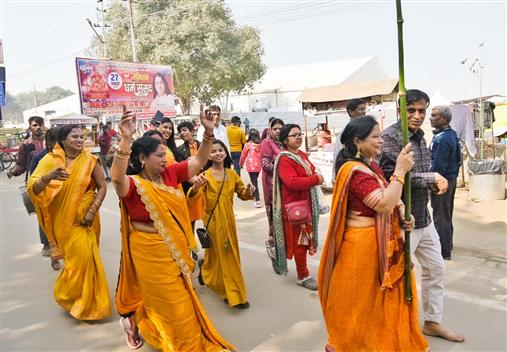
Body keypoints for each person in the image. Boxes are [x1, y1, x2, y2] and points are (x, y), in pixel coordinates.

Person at [112, 107, 234, 351]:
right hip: (148, 250)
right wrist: (126, 139)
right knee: (168, 302)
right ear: (143, 159)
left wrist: (208, 134)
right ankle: (173, 340)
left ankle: (153, 328)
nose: (164, 158)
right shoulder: (133, 184)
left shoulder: (170, 174)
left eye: (164, 154)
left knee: (179, 299)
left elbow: (199, 160)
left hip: (175, 248)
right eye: (158, 155)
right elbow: (116, 177)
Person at [319, 115, 428, 351]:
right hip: (362, 249)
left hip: (379, 242)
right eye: (375, 137)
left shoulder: (371, 165)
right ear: (357, 142)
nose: (381, 141)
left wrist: (402, 213)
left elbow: (391, 198)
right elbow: (383, 204)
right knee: (362, 305)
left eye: (380, 136)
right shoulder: (354, 170)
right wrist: (400, 170)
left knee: (380, 302)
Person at [380, 89, 465, 342]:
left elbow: (421, 173)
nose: (417, 116)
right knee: (394, 280)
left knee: (436, 268)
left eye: (422, 111)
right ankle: (390, 330)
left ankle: (431, 321)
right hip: (401, 220)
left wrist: (433, 181)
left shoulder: (420, 137)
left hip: (422, 217)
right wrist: (431, 178)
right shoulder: (391, 137)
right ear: (400, 111)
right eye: (411, 111)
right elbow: (391, 177)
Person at [27, 124, 111, 320]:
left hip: (86, 219)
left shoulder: (90, 160)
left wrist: (92, 210)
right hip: (63, 219)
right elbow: (33, 188)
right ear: (63, 140)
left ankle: (90, 305)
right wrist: (48, 177)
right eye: (75, 136)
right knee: (76, 261)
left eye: (82, 136)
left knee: (86, 259)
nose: (80, 140)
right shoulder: (50, 160)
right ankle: (68, 295)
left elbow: (102, 186)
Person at [191, 139, 255, 309]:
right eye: (213, 151)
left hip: (229, 221)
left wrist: (249, 192)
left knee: (223, 253)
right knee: (227, 255)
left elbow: (242, 193)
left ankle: (206, 270)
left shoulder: (232, 174)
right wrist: (196, 188)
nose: (217, 153)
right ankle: (233, 294)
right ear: (208, 156)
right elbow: (193, 197)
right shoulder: (205, 176)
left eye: (220, 150)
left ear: (226, 152)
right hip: (212, 221)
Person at [272, 124, 324, 290]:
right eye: (294, 135)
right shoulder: (285, 159)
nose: (299, 137)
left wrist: (314, 176)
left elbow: (311, 169)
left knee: (305, 239)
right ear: (285, 140)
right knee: (300, 243)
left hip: (307, 203)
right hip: (294, 207)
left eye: (300, 134)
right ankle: (303, 275)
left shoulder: (300, 154)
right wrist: (316, 179)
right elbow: (292, 182)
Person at [429, 105, 461, 260]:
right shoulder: (451, 134)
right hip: (451, 178)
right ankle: (448, 244)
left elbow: (438, 166)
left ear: (445, 119)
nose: (430, 117)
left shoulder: (441, 139)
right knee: (447, 214)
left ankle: (443, 251)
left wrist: (432, 181)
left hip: (442, 181)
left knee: (440, 216)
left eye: (435, 115)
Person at [30, 127, 62, 271]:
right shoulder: (40, 158)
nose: (55, 144)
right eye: (52, 141)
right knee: (49, 229)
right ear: (48, 142)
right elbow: (33, 180)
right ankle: (53, 257)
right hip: (47, 200)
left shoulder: (70, 156)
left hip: (63, 199)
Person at [259, 118, 284, 267]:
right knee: (274, 217)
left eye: (281, 128)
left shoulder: (284, 143)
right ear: (270, 129)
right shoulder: (266, 143)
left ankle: (281, 246)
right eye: (275, 129)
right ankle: (272, 244)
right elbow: (266, 165)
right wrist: (284, 167)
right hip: (271, 185)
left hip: (284, 185)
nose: (278, 131)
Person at [332, 98, 367, 177]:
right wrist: (335, 176)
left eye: (365, 109)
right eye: (360, 109)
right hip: (351, 171)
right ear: (351, 112)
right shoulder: (345, 132)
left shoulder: (365, 129)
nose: (364, 112)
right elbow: (337, 154)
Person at [8, 116, 46, 181]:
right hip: (34, 179)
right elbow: (21, 165)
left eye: (40, 125)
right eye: (35, 125)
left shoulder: (51, 141)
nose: (38, 127)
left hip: (51, 177)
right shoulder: (25, 145)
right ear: (30, 128)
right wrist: (13, 172)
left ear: (43, 126)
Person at [240, 129, 262, 208]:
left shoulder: (248, 145)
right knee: (254, 181)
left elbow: (243, 155)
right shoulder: (261, 144)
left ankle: (258, 200)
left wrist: (241, 163)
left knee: (254, 183)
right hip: (259, 166)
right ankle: (253, 194)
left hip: (251, 166)